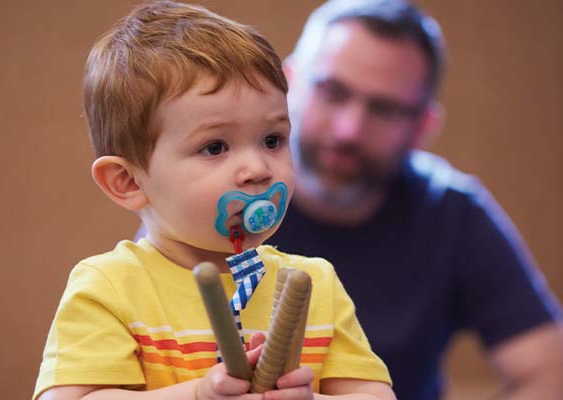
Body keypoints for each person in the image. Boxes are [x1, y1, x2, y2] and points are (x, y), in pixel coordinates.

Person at [33, 1, 397, 400]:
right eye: (215, 147)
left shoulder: (316, 284)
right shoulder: (110, 288)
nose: (257, 167)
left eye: (272, 140)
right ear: (128, 181)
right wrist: (198, 394)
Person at [266, 0, 563, 399]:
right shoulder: (215, 197)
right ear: (289, 83)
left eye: (384, 109)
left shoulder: (452, 212)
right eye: (333, 92)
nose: (349, 130)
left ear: (423, 127)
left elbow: (549, 373)